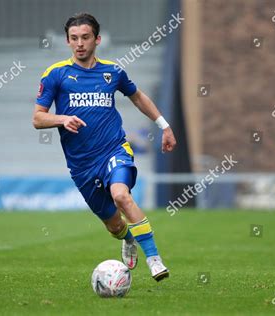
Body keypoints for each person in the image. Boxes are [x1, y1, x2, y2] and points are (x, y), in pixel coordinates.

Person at [33, 12, 176, 281]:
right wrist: (62, 118)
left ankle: (155, 259)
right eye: (74, 38)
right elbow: (38, 118)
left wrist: (164, 125)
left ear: (97, 39)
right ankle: (129, 239)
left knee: (121, 195)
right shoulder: (55, 75)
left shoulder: (113, 71)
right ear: (67, 42)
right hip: (81, 165)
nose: (80, 44)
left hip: (114, 149)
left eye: (85, 37)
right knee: (114, 225)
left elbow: (138, 97)